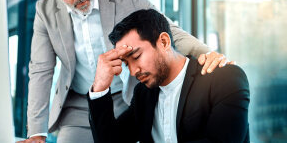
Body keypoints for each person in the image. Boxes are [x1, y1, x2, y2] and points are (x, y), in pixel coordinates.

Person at [21, 0, 233, 143]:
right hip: (79, 101)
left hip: (126, 94)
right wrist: (36, 132)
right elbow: (41, 70)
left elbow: (167, 30)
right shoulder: (44, 11)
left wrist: (207, 54)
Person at [88, 9, 250, 143]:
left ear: (164, 42)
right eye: (126, 63)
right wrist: (100, 86)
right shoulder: (143, 94)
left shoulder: (224, 78)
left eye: (136, 57)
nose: (132, 71)